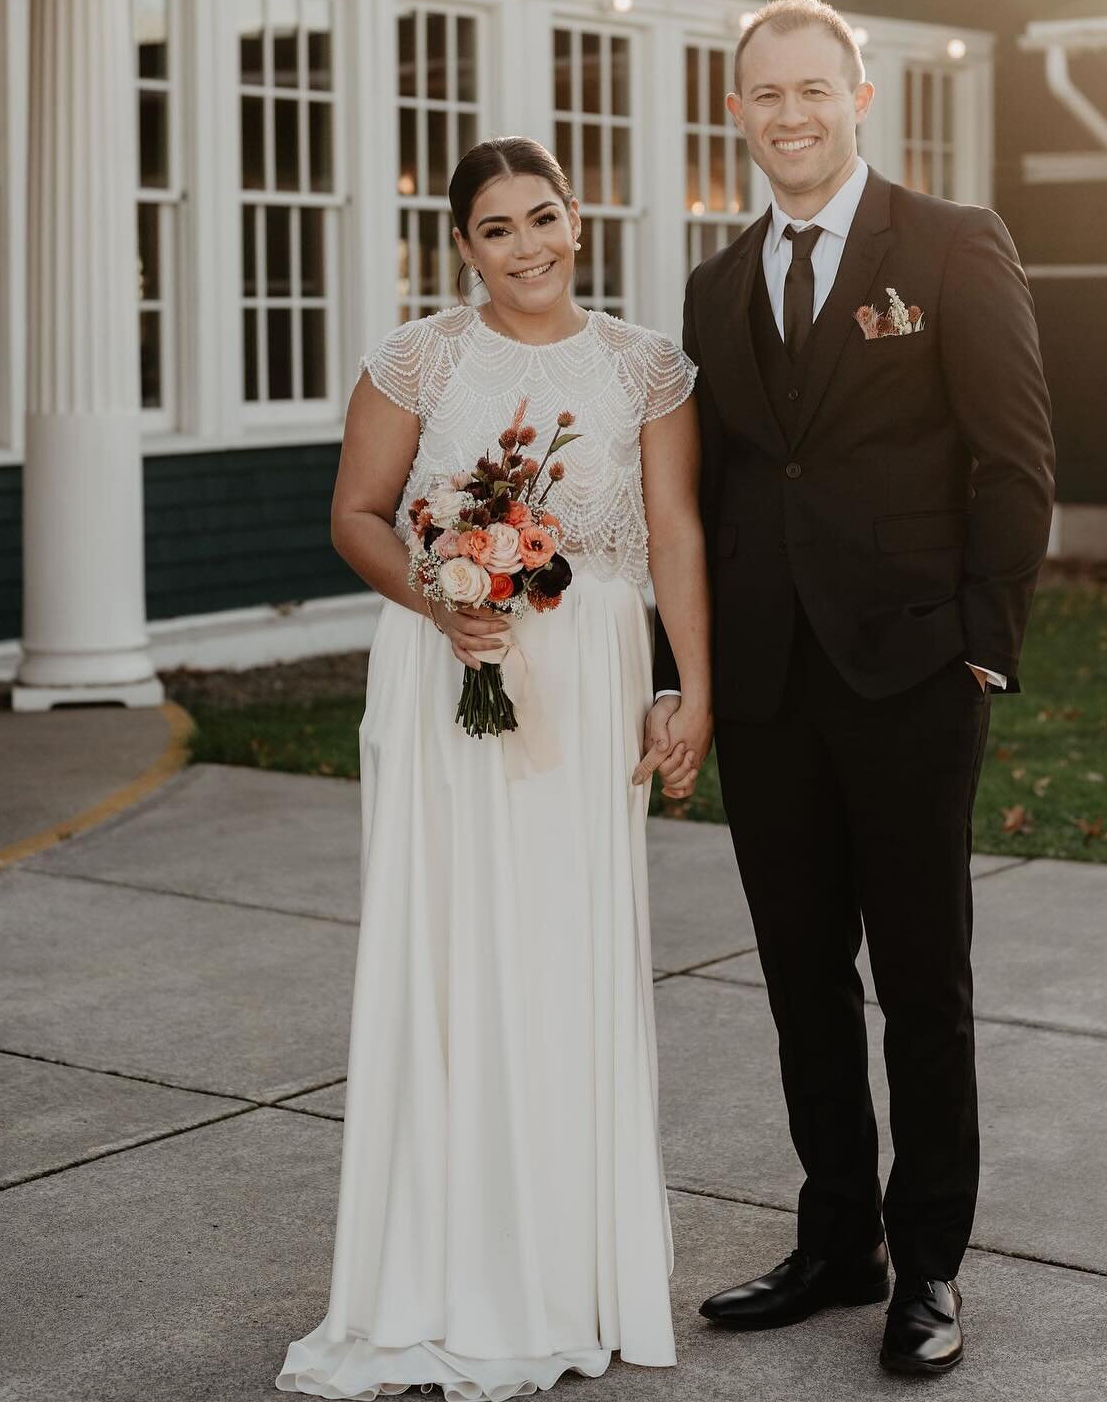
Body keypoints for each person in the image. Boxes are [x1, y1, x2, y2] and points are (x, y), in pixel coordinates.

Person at [648, 0, 1056, 1378]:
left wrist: (984, 646)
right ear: (737, 111)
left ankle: (928, 1262)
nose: (790, 114)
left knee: (924, 981)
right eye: (765, 94)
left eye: (813, 88)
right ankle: (836, 1239)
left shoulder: (950, 246)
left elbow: (1016, 460)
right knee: (800, 978)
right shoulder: (713, 286)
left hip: (912, 675)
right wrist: (684, 677)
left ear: (861, 95)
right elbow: (703, 494)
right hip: (766, 685)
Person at [278, 136, 712, 1401]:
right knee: (453, 952)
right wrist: (438, 595)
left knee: (562, 955)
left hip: (589, 683)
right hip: (444, 673)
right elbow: (357, 512)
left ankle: (566, 1271)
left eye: (543, 217)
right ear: (460, 246)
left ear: (579, 221)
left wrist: (693, 685)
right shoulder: (419, 357)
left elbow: (676, 530)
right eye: (495, 229)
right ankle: (440, 1268)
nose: (525, 246)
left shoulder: (649, 368)